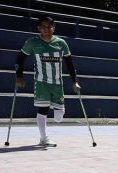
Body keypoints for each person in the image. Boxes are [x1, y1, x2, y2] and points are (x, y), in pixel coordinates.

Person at [14, 15, 81, 147]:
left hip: (57, 83)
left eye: (49, 26)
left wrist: (75, 81)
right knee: (42, 109)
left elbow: (70, 63)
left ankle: (55, 109)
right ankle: (43, 138)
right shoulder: (32, 42)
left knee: (59, 117)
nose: (46, 29)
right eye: (43, 27)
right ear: (39, 28)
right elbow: (20, 59)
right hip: (41, 83)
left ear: (54, 28)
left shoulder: (61, 43)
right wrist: (19, 76)